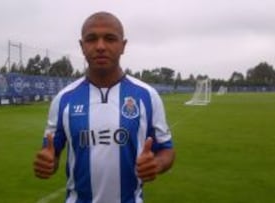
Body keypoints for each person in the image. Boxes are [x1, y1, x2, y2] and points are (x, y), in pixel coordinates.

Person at [34, 11, 175, 203]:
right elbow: (51, 153)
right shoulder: (63, 99)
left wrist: (157, 164)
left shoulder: (147, 96)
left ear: (123, 46)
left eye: (110, 38)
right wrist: (48, 163)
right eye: (91, 39)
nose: (100, 46)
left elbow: (167, 150)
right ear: (82, 46)